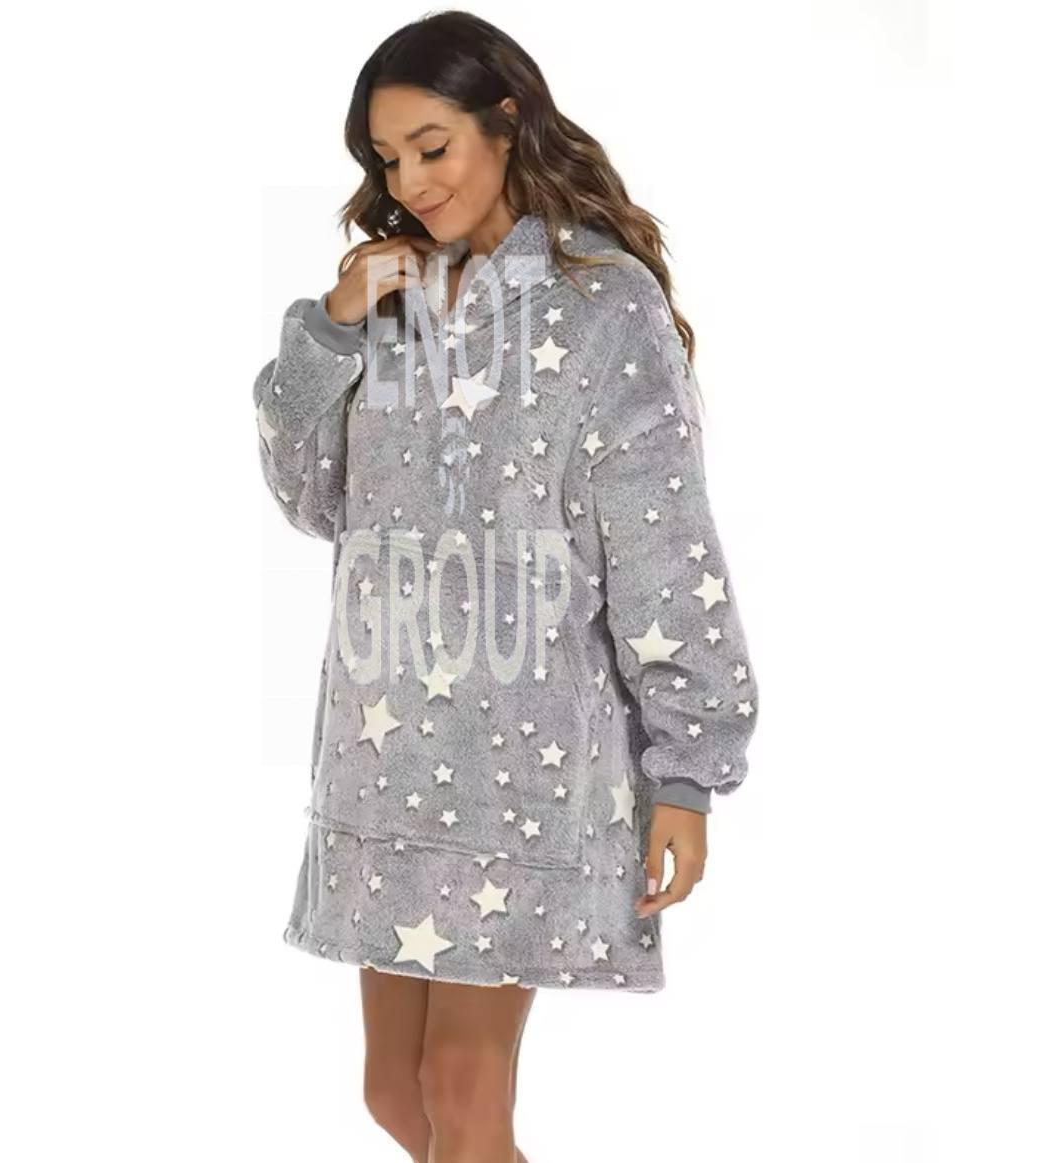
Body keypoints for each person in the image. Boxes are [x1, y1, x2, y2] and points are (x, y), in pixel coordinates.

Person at [251, 11, 759, 1161]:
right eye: (388, 159)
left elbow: (665, 541)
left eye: (432, 147)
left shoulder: (602, 304)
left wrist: (686, 770)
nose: (410, 182)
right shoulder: (392, 299)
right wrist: (332, 327)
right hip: (383, 754)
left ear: (506, 119)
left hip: (519, 763)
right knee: (397, 1096)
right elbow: (311, 497)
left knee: (462, 1096)